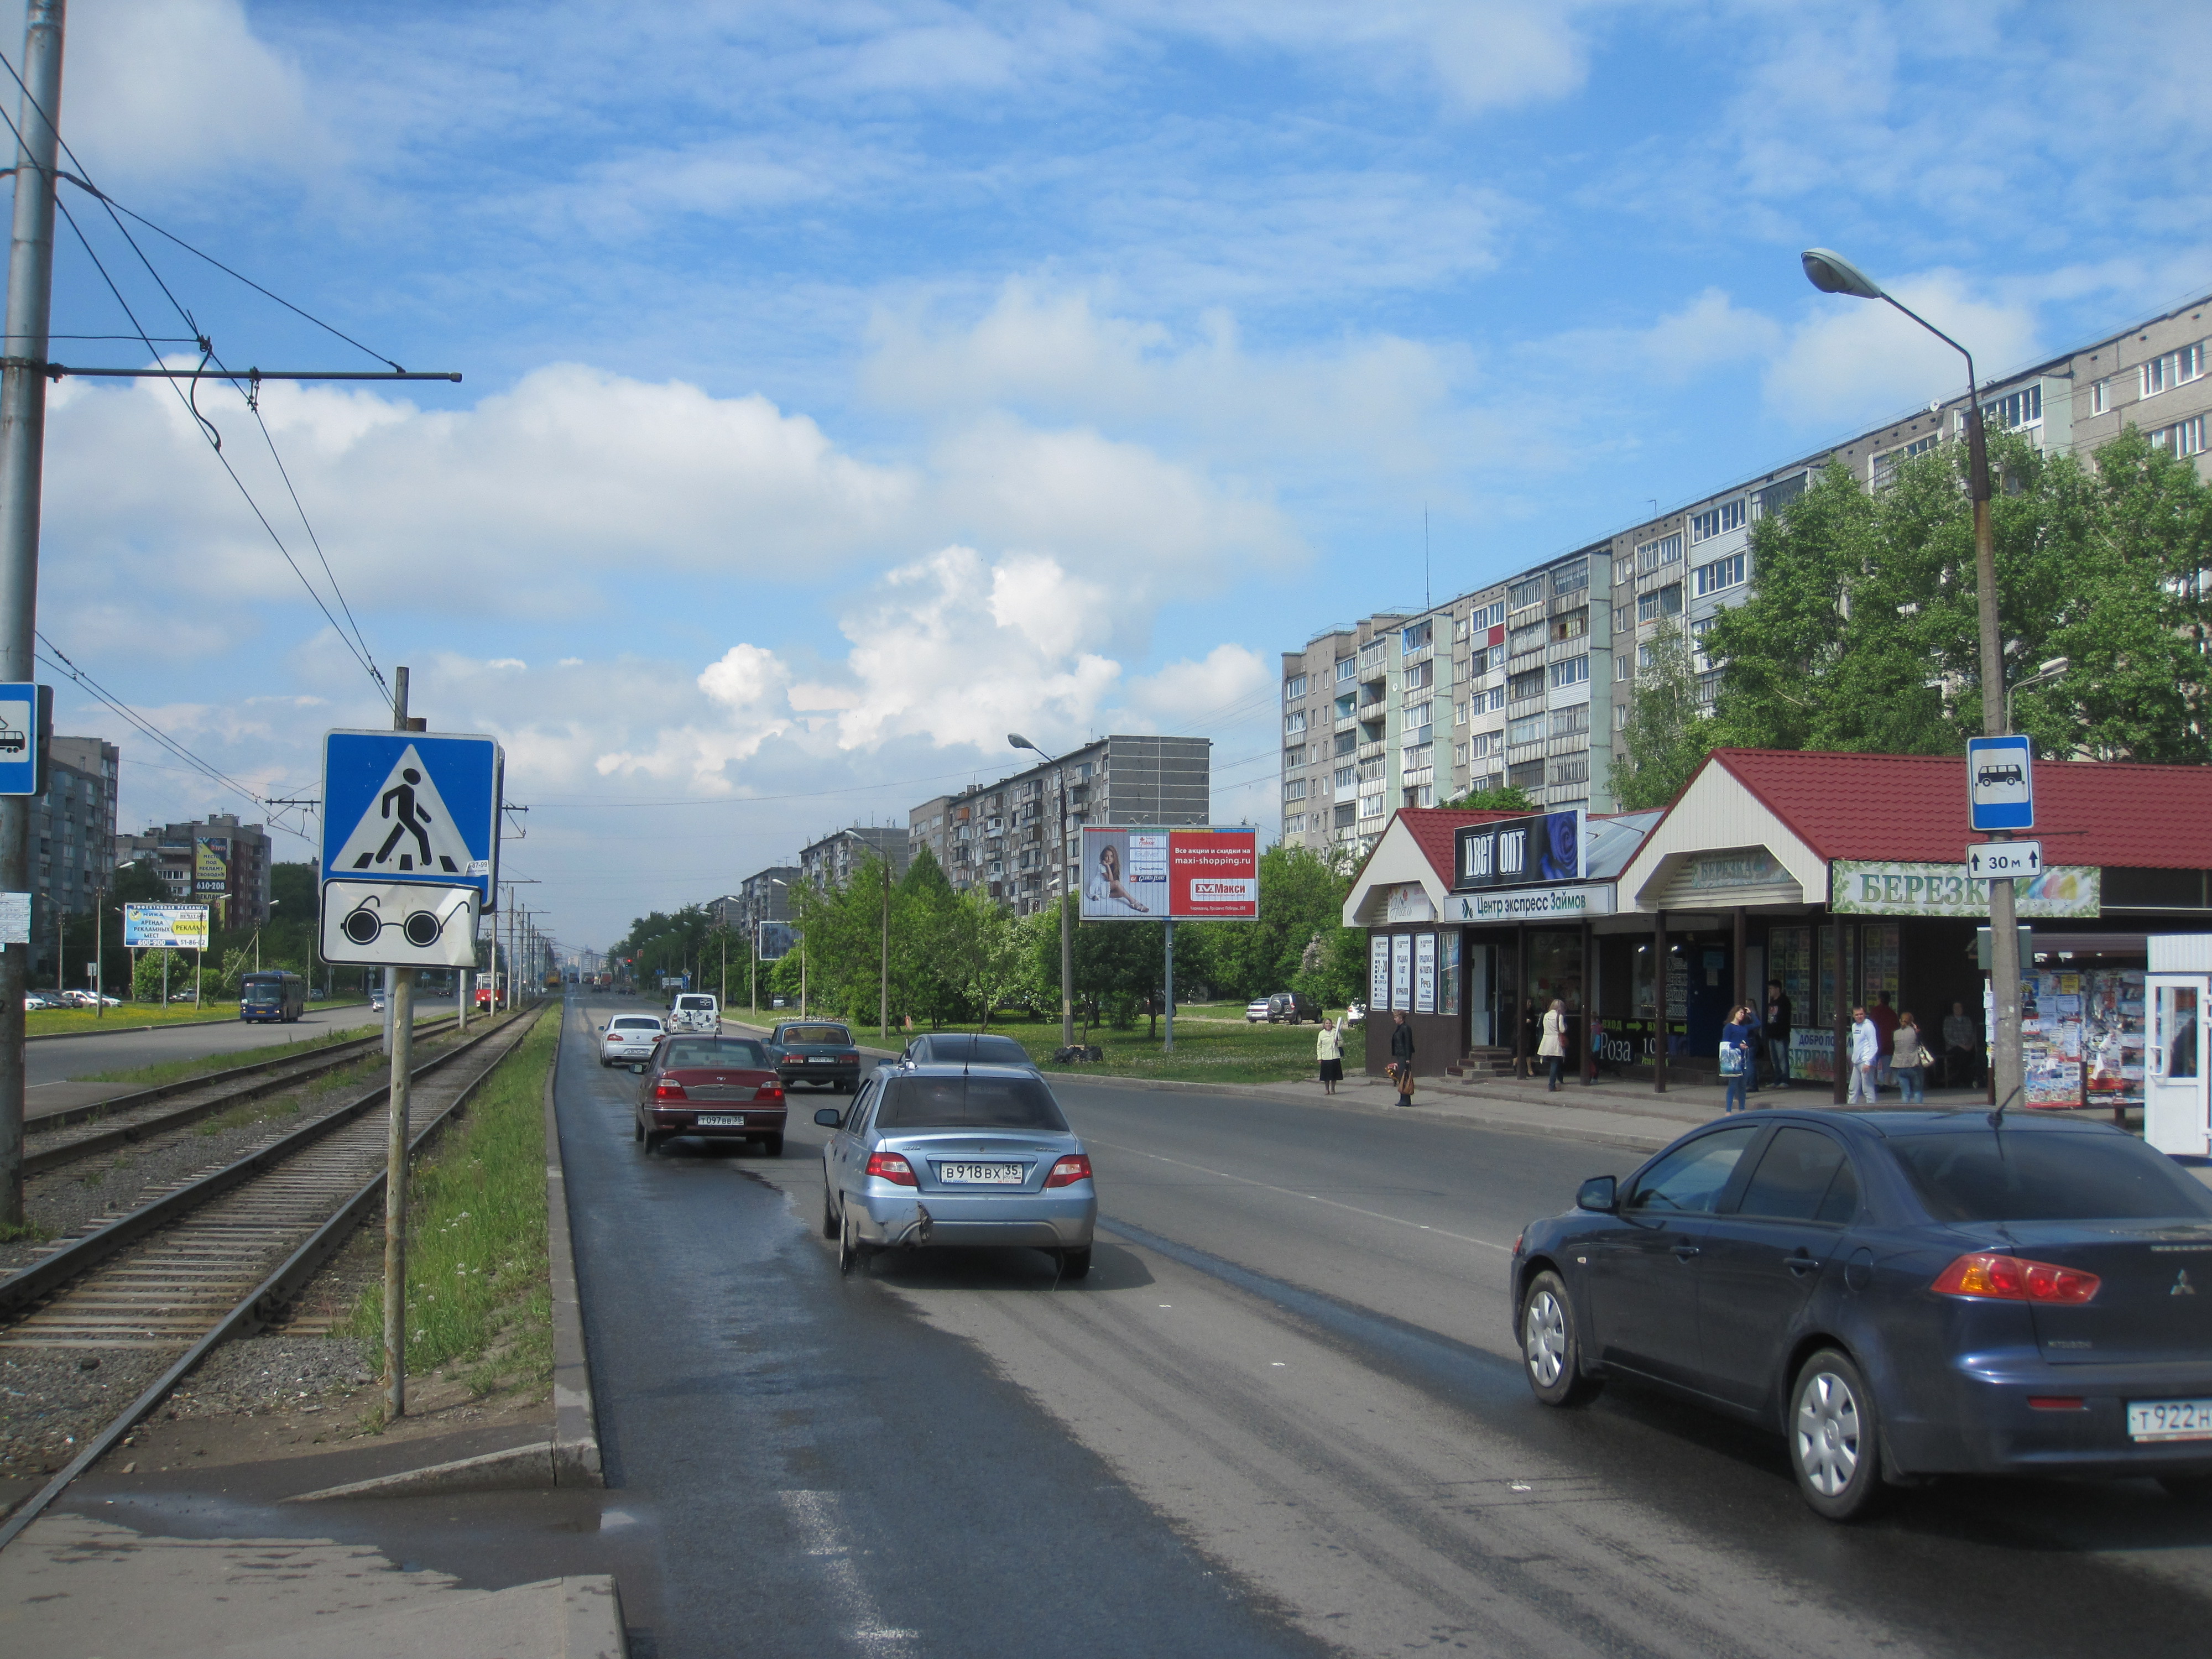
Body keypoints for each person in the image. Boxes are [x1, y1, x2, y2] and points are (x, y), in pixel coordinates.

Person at [1719, 1003, 1757, 1113]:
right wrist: (1738, 1045)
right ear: (1734, 1013)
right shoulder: (1729, 1027)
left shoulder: (1744, 1027)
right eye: (1740, 1013)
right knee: (1733, 1084)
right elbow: (1725, 1044)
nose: (1742, 1015)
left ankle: (1742, 1109)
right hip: (1734, 1059)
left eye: (1743, 1014)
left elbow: (1757, 1024)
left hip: (1744, 1057)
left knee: (1743, 1085)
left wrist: (1751, 1013)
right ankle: (1728, 1110)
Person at [1942, 1000, 1982, 1088]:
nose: (1958, 1009)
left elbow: (1972, 1034)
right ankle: (1960, 1080)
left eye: (1959, 1007)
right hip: (1954, 1047)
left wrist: (1971, 1045)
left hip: (1968, 1046)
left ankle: (1972, 1080)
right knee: (1961, 1054)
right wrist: (1960, 1045)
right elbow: (1947, 1037)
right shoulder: (1948, 1020)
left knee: (1976, 1055)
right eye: (1955, 1008)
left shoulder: (1967, 1020)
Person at [1763, 977, 1793, 1091]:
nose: (1770, 991)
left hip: (1781, 1035)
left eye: (1771, 989)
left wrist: (1781, 1032)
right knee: (1774, 1060)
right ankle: (1777, 1079)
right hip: (1772, 1035)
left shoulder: (1784, 1001)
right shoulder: (1772, 1002)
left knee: (1782, 1058)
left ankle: (1785, 1080)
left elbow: (1785, 1019)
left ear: (1777, 989)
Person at [1848, 1004, 1880, 1104]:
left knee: (1868, 1089)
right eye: (1856, 1015)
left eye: (1861, 1014)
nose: (1859, 1016)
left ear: (1865, 1014)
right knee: (1853, 1089)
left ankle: (1871, 1110)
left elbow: (1874, 1046)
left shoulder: (1868, 1026)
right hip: (1857, 1062)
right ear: (1853, 1016)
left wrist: (1868, 1062)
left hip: (1866, 1062)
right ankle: (1850, 1110)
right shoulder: (1854, 1026)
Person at [1892, 1011, 1927, 1103]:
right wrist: (1916, 1029)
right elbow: (1921, 1044)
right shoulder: (1915, 1033)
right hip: (1914, 1064)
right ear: (1912, 1021)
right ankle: (1918, 1111)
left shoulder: (1896, 1033)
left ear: (1900, 1021)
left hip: (1899, 1065)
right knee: (1917, 1091)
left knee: (1905, 1092)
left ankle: (1905, 1111)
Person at [1868, 991, 1899, 1089]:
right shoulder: (1892, 1013)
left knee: (1873, 1064)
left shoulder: (1875, 1011)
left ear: (1880, 999)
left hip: (1877, 1041)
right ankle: (1887, 1083)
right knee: (1887, 1064)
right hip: (1888, 1042)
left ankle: (1876, 1083)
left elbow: (1871, 1026)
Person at [1538, 998, 1568, 1092]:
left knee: (1555, 1062)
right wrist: (1566, 1027)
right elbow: (1562, 1030)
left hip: (1547, 1040)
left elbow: (1544, 1027)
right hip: (1556, 1041)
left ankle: (1561, 1078)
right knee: (1555, 1062)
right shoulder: (1560, 1016)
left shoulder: (1546, 1015)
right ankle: (1552, 1085)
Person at [1389, 1010, 1416, 1105]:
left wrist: (1408, 1058)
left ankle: (1405, 1099)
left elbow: (1408, 1044)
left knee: (1404, 1077)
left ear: (1401, 1018)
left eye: (1396, 1017)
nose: (1395, 1019)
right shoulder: (1399, 1028)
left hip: (1404, 1056)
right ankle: (1403, 1098)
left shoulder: (1405, 1028)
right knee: (1401, 1076)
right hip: (1400, 1055)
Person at [1316, 1016, 1344, 1095]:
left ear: (1332, 1024)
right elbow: (1319, 1047)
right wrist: (1319, 1057)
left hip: (1335, 1056)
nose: (1328, 1025)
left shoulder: (1336, 1032)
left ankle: (1333, 1089)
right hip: (1326, 1056)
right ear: (1324, 1025)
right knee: (1326, 1075)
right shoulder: (1321, 1034)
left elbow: (1342, 1043)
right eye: (1327, 1023)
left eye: (1330, 1023)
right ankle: (1327, 1089)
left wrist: (1337, 1041)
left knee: (1334, 1075)